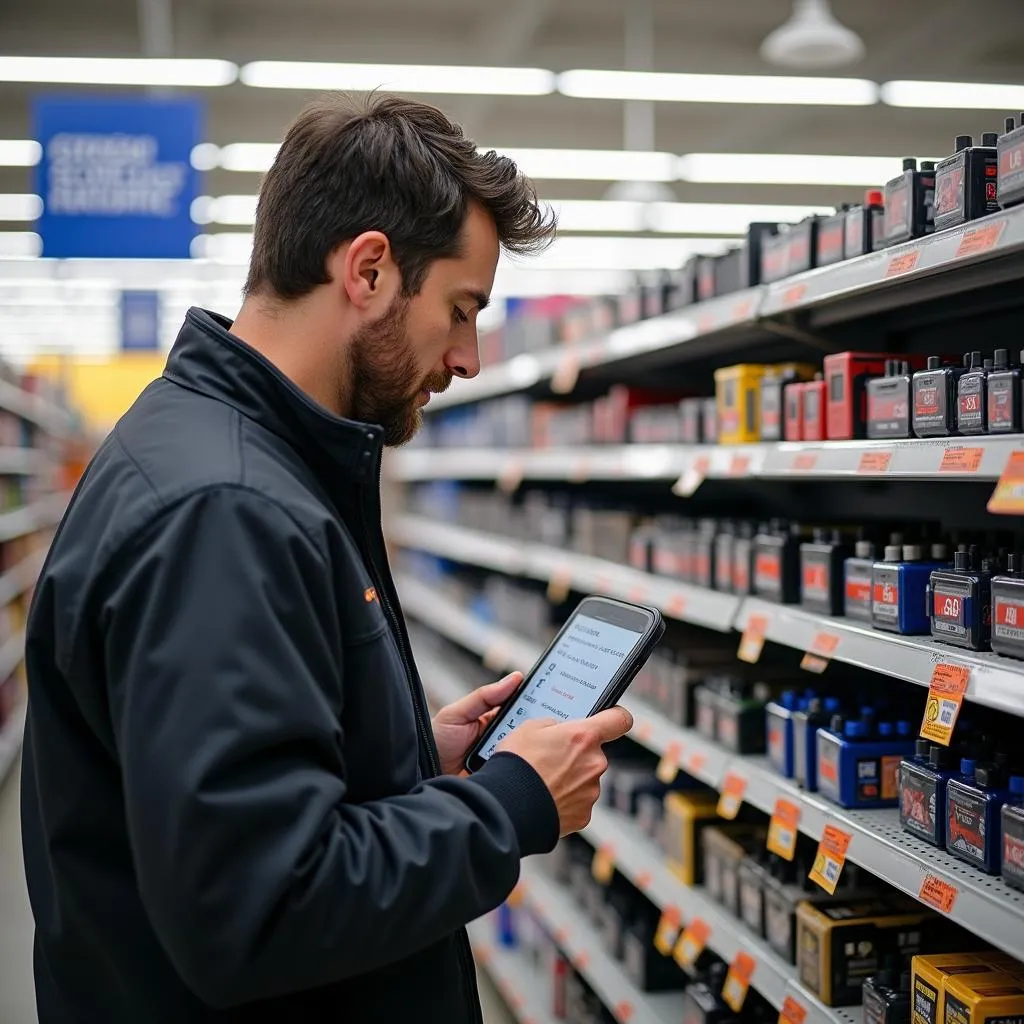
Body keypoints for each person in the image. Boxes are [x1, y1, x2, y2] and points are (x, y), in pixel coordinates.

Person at [20, 93, 634, 1022]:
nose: (467, 358)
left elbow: (227, 793)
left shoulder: (227, 451)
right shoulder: (225, 511)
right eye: (461, 310)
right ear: (371, 271)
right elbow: (258, 908)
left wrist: (412, 759)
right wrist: (508, 802)